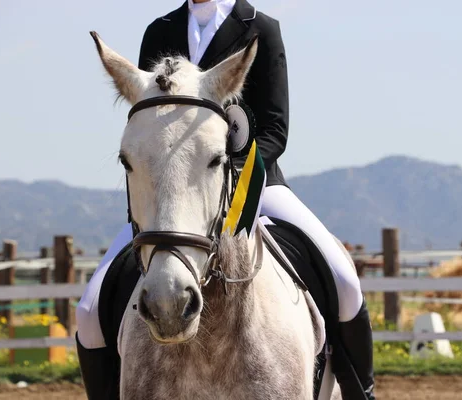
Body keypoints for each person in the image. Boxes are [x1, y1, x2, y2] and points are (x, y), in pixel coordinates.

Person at [76, 1, 375, 399]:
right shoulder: (159, 30)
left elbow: (275, 127)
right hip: (176, 198)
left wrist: (233, 172)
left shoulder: (261, 28)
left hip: (256, 186)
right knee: (88, 311)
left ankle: (361, 392)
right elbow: (149, 122)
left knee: (343, 278)